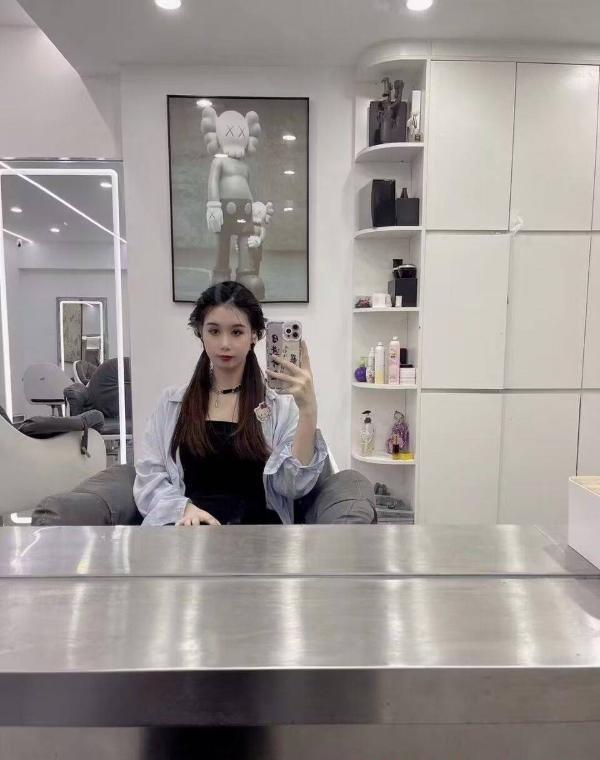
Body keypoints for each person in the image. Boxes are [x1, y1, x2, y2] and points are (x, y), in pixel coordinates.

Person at [134, 281, 328, 526]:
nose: (224, 343)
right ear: (200, 333)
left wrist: (308, 409)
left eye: (236, 332)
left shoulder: (280, 409)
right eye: (214, 331)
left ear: (254, 335)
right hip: (192, 534)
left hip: (261, 538)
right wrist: (183, 510)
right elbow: (149, 478)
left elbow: (293, 486)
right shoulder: (172, 404)